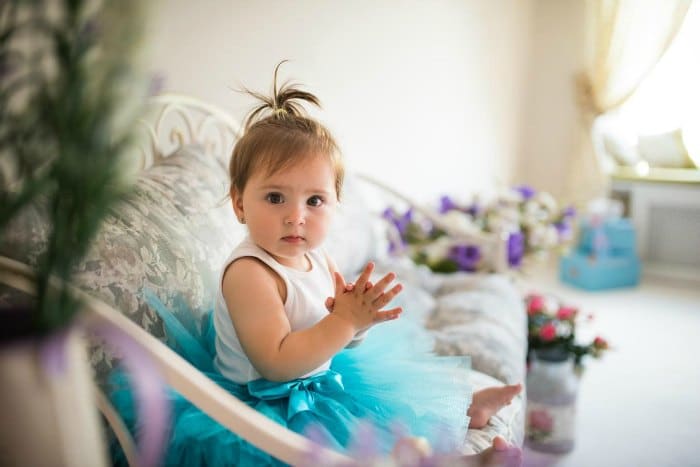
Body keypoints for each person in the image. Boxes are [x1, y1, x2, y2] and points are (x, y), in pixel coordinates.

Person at [111, 63, 522, 466]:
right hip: (260, 406)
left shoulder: (315, 257)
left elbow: (327, 332)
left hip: (316, 383)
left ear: (334, 203)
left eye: (314, 201)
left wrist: (357, 323)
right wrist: (341, 323)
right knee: (357, 446)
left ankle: (464, 412)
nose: (296, 216)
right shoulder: (250, 273)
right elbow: (275, 361)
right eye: (275, 198)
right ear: (239, 203)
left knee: (392, 412)